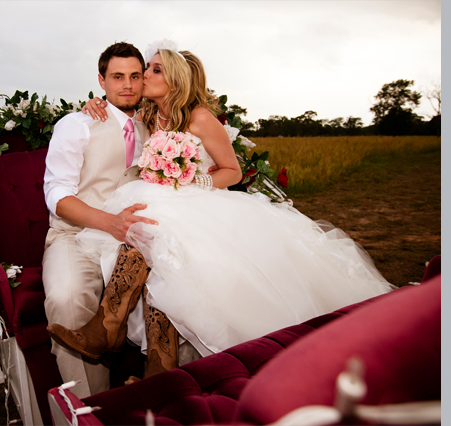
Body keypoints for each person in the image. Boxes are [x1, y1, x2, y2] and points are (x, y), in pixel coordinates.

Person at [46, 40, 395, 382]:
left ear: (175, 80)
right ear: (102, 80)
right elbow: (111, 131)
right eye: (125, 76)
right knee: (154, 244)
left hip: (191, 203)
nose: (136, 82)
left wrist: (187, 179)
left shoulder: (196, 117)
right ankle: (144, 357)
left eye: (146, 72)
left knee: (157, 241)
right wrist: (95, 106)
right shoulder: (147, 117)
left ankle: (128, 344)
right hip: (147, 205)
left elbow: (232, 171)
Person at [42, 41, 162, 398]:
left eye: (134, 76)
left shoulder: (156, 126)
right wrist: (108, 223)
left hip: (136, 241)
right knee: (66, 298)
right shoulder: (77, 124)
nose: (126, 84)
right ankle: (88, 407)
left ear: (144, 81)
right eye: (117, 76)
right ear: (102, 81)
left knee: (181, 290)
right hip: (74, 236)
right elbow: (57, 196)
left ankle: (166, 393)